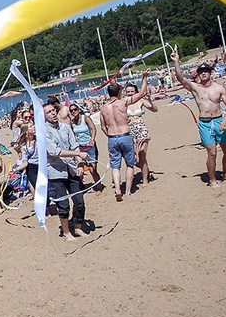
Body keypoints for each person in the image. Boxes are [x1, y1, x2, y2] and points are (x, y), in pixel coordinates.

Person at [171, 52, 226, 187]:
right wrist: (177, 62)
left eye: (206, 71)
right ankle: (212, 180)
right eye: (201, 72)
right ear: (198, 74)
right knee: (212, 152)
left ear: (210, 73)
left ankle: (225, 173)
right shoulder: (195, 88)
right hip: (205, 122)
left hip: (219, 120)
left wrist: (225, 120)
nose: (204, 73)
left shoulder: (219, 88)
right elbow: (180, 78)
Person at [43, 103, 90, 241]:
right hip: (55, 172)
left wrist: (79, 163)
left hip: (71, 169)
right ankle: (66, 231)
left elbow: (75, 146)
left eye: (53, 110)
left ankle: (78, 227)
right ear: (44, 116)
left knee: (79, 201)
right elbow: (55, 152)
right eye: (49, 112)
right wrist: (78, 154)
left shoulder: (65, 127)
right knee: (63, 205)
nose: (53, 113)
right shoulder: (44, 132)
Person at [98, 73, 148, 200]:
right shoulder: (123, 102)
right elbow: (142, 93)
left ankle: (118, 190)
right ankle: (128, 191)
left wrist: (109, 135)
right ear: (119, 91)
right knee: (129, 164)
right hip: (125, 135)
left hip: (112, 138)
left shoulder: (103, 108)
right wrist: (144, 77)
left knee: (115, 166)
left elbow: (103, 126)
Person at [125, 80, 158, 186]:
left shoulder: (140, 100)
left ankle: (145, 180)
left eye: (132, 91)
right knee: (134, 159)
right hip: (129, 130)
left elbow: (154, 109)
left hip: (140, 127)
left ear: (136, 92)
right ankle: (147, 172)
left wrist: (149, 99)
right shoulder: (123, 102)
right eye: (128, 92)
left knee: (142, 154)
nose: (130, 93)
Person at [69, 102, 102, 194]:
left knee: (92, 170)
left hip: (90, 146)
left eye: (75, 109)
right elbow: (72, 135)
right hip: (80, 148)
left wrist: (92, 139)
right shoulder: (72, 123)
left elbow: (93, 128)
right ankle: (81, 187)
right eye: (71, 111)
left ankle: (99, 187)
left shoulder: (85, 118)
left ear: (78, 110)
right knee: (79, 169)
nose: (73, 112)